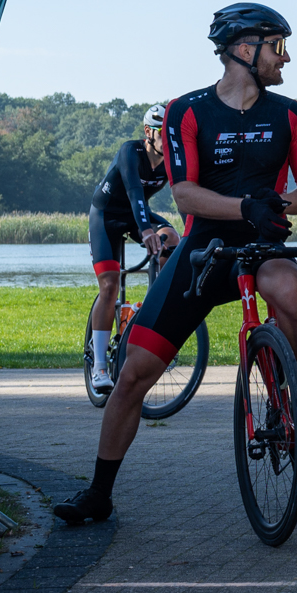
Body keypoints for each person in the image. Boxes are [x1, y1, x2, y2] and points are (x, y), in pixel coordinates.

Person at [55, 4, 297, 525]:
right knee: (133, 373)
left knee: (290, 291)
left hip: (261, 244)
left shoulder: (288, 113)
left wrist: (276, 206)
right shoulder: (188, 111)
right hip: (204, 250)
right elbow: (184, 194)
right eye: (278, 46)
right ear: (244, 50)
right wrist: (245, 206)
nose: (286, 58)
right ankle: (99, 492)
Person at [85, 104, 179, 395]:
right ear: (148, 132)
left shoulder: (172, 159)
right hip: (106, 216)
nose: (169, 139)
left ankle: (152, 312)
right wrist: (146, 230)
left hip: (136, 215)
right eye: (163, 133)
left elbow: (184, 194)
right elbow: (135, 193)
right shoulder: (130, 152)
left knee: (173, 239)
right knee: (109, 286)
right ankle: (100, 366)